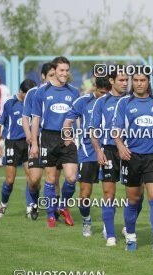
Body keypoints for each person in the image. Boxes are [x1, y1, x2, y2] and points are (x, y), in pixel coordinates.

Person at [113, 72, 153, 253]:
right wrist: (120, 145)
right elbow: (116, 129)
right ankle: (130, 237)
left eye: (142, 80)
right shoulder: (124, 102)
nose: (138, 84)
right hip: (132, 157)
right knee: (133, 199)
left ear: (148, 81)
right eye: (135, 80)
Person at [30, 56, 80, 228]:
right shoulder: (41, 92)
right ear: (54, 70)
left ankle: (63, 205)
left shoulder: (74, 92)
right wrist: (35, 144)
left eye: (67, 70)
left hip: (67, 137)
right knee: (51, 178)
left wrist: (76, 137)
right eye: (61, 70)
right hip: (48, 138)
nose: (65, 73)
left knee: (72, 177)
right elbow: (35, 119)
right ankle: (51, 215)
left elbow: (77, 117)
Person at [63, 77, 110, 237]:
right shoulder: (82, 102)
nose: (104, 96)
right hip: (87, 153)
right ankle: (87, 220)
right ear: (95, 87)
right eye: (101, 93)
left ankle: (107, 226)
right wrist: (67, 136)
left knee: (108, 193)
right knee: (84, 194)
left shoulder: (115, 102)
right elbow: (67, 121)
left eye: (106, 93)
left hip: (108, 153)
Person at [22, 63, 66, 222]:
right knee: (34, 180)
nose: (54, 78)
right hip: (37, 140)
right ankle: (33, 204)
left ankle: (53, 211)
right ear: (43, 76)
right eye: (51, 75)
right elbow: (26, 117)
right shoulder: (34, 93)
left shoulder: (62, 92)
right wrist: (30, 137)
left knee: (54, 179)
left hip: (55, 141)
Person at [90, 70, 129, 246]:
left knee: (136, 195)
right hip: (109, 151)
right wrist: (98, 150)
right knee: (109, 193)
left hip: (131, 151)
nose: (125, 83)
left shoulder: (132, 99)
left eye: (126, 80)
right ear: (112, 81)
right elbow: (93, 129)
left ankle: (129, 227)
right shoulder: (101, 102)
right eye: (121, 80)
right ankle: (111, 234)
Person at [0, 79, 37, 217]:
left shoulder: (33, 103)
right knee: (10, 179)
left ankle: (31, 207)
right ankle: (3, 204)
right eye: (28, 94)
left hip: (28, 143)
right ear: (22, 92)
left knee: (31, 178)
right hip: (13, 144)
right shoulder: (9, 103)